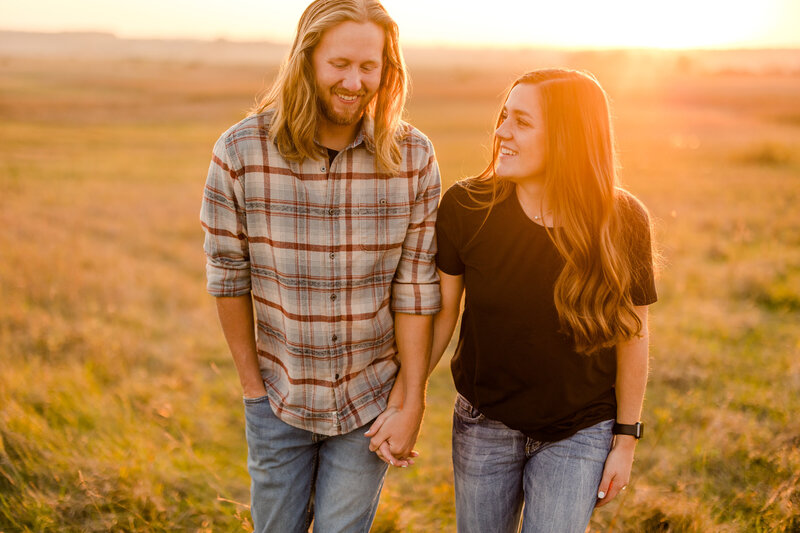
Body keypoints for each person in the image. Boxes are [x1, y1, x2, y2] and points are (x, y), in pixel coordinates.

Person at [199, 1, 441, 531]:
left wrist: (411, 399)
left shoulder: (414, 158)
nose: (355, 81)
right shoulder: (240, 152)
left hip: (369, 402)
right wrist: (252, 390)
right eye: (340, 64)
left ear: (387, 68)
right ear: (306, 59)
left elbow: (417, 288)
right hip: (277, 401)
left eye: (369, 66)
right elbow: (227, 276)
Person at [430, 68, 657, 532]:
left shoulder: (623, 220)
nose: (501, 132)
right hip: (484, 422)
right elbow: (442, 316)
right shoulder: (467, 208)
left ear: (569, 139)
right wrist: (404, 397)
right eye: (503, 116)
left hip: (580, 430)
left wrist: (626, 441)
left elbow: (633, 336)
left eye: (522, 122)